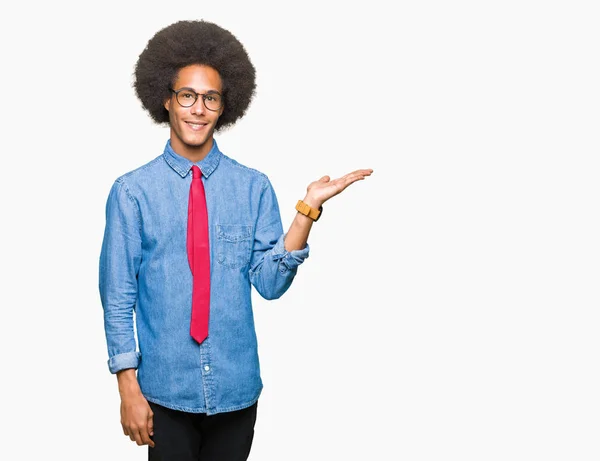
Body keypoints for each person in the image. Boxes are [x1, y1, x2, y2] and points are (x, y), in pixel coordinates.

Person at [98, 19, 373, 460]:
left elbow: (269, 284)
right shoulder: (132, 192)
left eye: (210, 98)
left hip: (236, 388)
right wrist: (127, 386)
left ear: (225, 107)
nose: (198, 109)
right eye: (187, 95)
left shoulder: (253, 187)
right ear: (166, 100)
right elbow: (117, 297)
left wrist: (307, 210)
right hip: (164, 391)